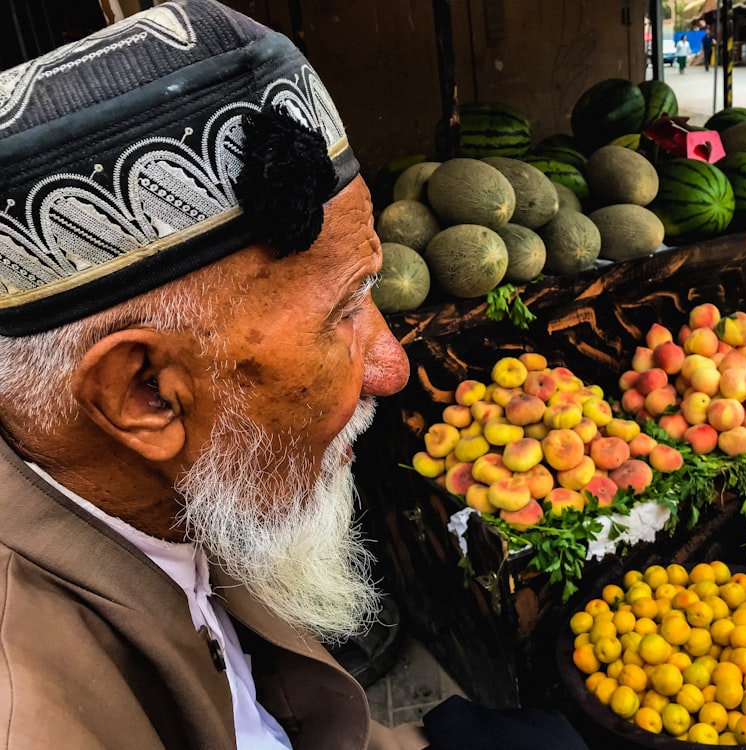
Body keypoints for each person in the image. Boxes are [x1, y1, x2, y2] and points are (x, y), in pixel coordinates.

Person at [0, 1, 588, 748]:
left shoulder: (178, 490)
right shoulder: (36, 718)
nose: (390, 366)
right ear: (144, 393)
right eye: (343, 312)